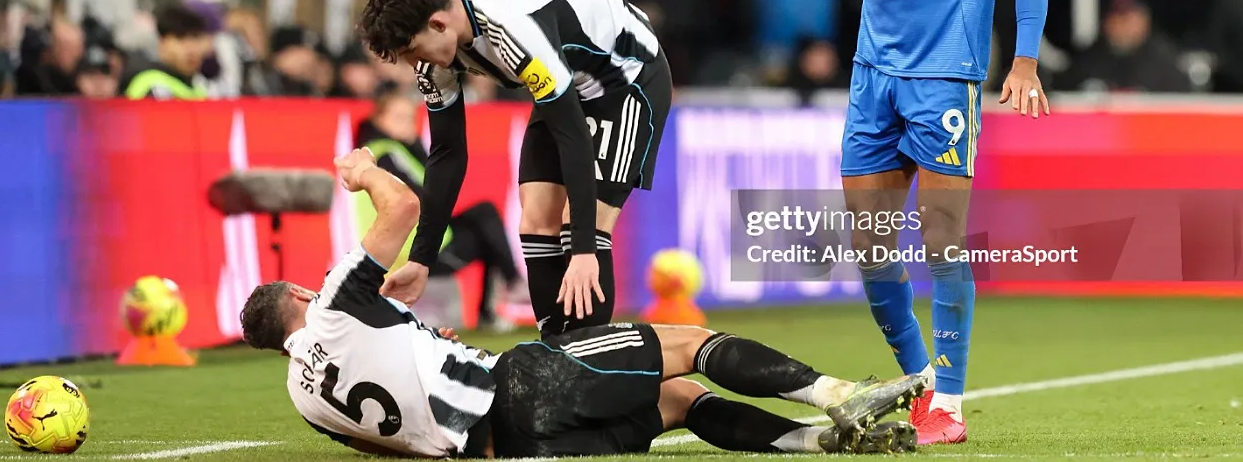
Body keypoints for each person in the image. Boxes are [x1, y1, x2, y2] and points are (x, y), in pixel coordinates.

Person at [721, 0, 1049, 446]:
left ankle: (950, 403)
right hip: (874, 75)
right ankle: (920, 385)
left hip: (944, 76)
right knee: (871, 248)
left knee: (941, 239)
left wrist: (1024, 62)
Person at [238, 147, 924, 458]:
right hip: (519, 386)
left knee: (677, 401)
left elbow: (389, 444)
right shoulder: (332, 303)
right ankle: (838, 395)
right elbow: (405, 207)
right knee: (686, 343)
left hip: (508, 450)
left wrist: (430, 363)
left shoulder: (304, 399)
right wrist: (363, 171)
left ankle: (819, 442)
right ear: (299, 294)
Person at [358, 0, 673, 338]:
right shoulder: (437, 44)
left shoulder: (513, 30)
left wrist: (584, 250)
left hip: (626, 79)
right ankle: (555, 353)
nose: (414, 66)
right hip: (568, 77)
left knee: (581, 228)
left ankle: (592, 363)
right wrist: (421, 260)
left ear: (438, 23)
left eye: (412, 52)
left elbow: (573, 137)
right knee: (536, 219)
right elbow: (447, 153)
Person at [355, 85, 531, 329]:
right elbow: (424, 194)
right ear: (379, 119)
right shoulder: (387, 152)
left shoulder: (381, 152)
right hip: (414, 249)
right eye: (398, 117)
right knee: (486, 222)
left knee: (485, 222)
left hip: (407, 245)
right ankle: (503, 294)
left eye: (410, 118)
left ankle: (498, 299)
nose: (406, 124)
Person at [121, 5, 212, 99]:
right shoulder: (149, 87)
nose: (191, 49)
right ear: (162, 43)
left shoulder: (203, 88)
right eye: (180, 38)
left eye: (196, 38)